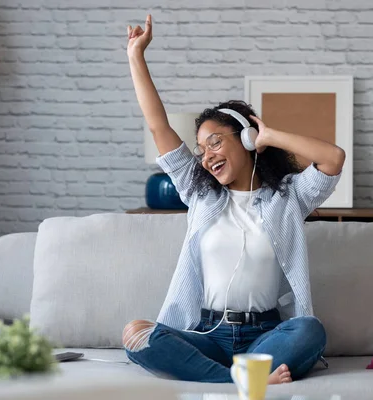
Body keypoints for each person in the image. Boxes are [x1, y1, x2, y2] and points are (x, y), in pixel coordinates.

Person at [122, 15, 346, 385]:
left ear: (244, 139)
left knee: (309, 331)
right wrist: (136, 55)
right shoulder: (198, 193)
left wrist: (269, 135)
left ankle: (234, 376)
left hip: (266, 334)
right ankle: (241, 379)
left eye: (215, 142)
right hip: (208, 333)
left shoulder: (288, 197)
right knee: (138, 335)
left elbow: (332, 158)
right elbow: (158, 126)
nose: (207, 156)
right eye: (201, 149)